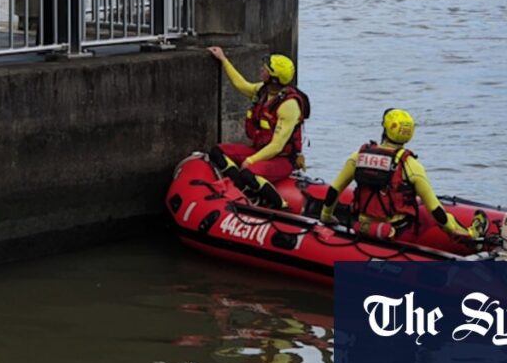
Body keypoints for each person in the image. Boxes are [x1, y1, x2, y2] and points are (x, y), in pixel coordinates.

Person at [320, 108, 486, 241]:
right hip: (397, 232)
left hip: (363, 225)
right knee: (426, 212)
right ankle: (470, 237)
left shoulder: (359, 156)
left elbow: (335, 189)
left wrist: (326, 216)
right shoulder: (411, 165)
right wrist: (452, 228)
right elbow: (436, 210)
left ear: (385, 128)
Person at [207, 47, 310, 210]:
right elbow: (241, 85)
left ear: (274, 79)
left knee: (249, 172)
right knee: (217, 152)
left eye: (266, 69)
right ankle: (243, 188)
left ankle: (280, 205)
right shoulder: (263, 91)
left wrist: (250, 161)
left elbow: (277, 146)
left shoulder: (289, 105)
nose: (262, 69)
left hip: (282, 159)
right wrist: (223, 59)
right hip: (259, 151)